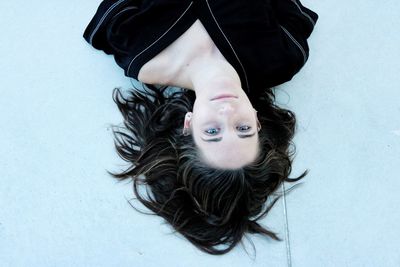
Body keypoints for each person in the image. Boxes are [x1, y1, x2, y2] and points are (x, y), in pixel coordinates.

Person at [83, 0, 318, 255]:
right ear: (257, 120)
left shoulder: (139, 50)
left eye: (212, 132)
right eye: (243, 129)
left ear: (189, 124)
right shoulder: (280, 58)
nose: (227, 113)